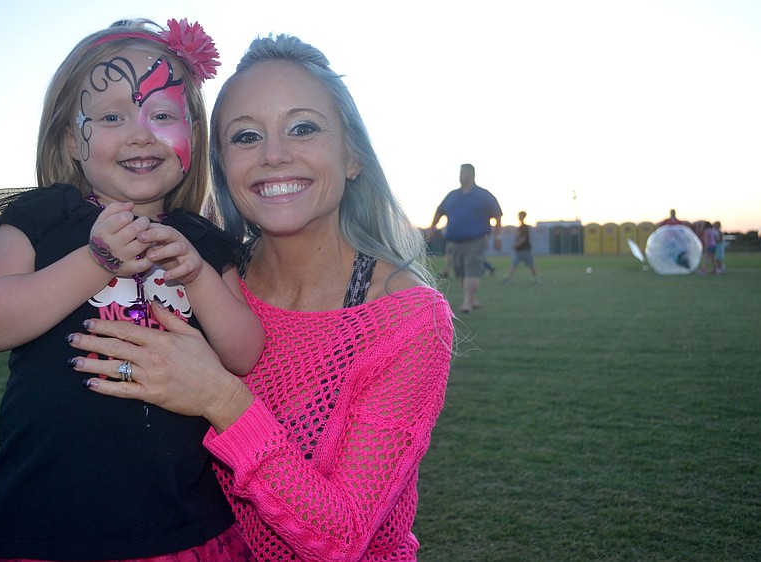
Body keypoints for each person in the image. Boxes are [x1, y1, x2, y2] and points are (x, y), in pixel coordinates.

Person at [67, 34, 454, 562]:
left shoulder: (407, 318)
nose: (274, 155)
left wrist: (219, 398)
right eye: (246, 137)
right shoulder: (200, 281)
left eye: (303, 128)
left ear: (353, 157)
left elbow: (342, 538)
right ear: (222, 166)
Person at [0, 18, 264, 561]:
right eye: (111, 116)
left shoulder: (199, 242)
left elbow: (244, 353)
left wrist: (196, 276)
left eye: (163, 114)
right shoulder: (42, 220)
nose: (140, 133)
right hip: (42, 522)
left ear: (192, 133)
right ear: (72, 138)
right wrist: (97, 261)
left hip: (182, 526)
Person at [430, 163, 502, 312]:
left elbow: (497, 215)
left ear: (471, 174)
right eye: (460, 172)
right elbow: (439, 212)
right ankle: (472, 298)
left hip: (476, 240)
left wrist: (497, 236)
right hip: (455, 242)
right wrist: (432, 228)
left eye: (463, 172)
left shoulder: (483, 195)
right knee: (461, 272)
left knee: (472, 270)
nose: (461, 175)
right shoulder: (452, 195)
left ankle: (467, 303)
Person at [503, 211, 540, 284]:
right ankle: (508, 278)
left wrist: (516, 245)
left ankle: (536, 278)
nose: (519, 217)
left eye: (520, 216)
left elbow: (524, 238)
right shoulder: (520, 227)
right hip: (519, 250)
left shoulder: (524, 227)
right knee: (514, 264)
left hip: (525, 250)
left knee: (531, 265)